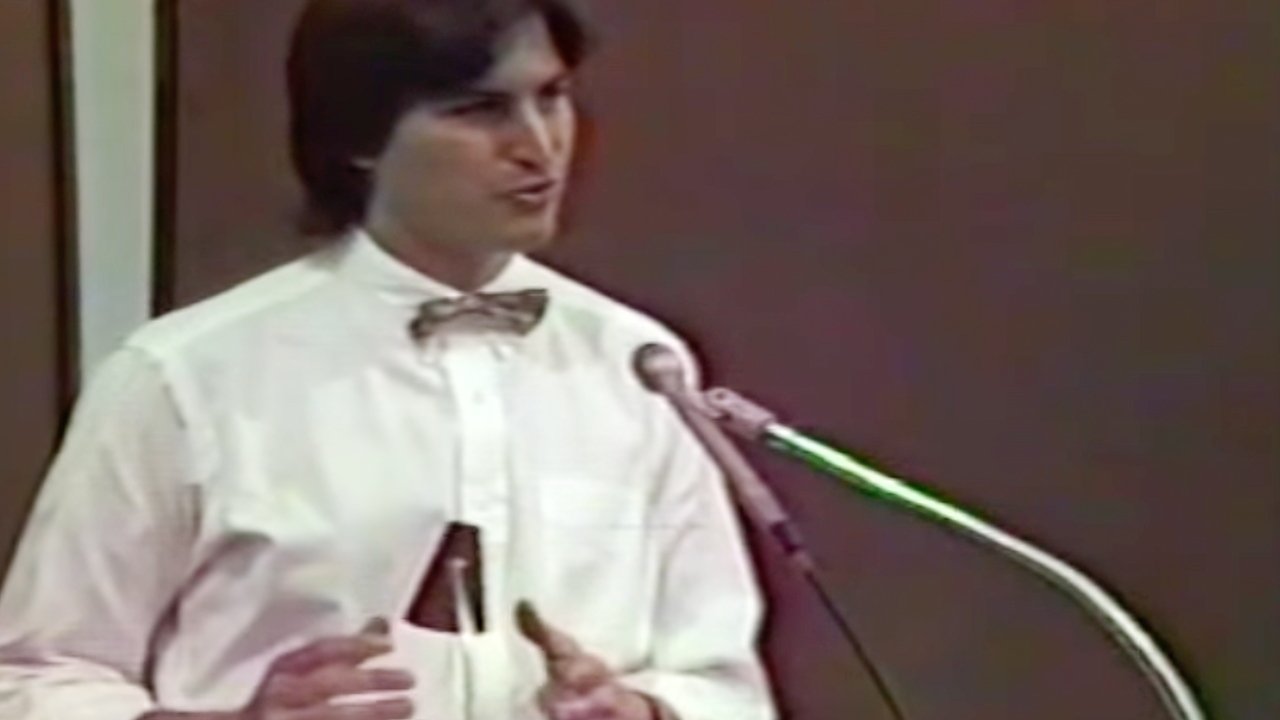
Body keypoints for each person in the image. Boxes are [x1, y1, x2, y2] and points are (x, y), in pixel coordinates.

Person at [0, 1, 776, 719]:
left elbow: (723, 682)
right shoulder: (182, 378)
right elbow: (37, 678)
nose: (539, 145)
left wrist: (643, 710)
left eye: (553, 96)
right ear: (359, 141)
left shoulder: (637, 362)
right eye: (481, 110)